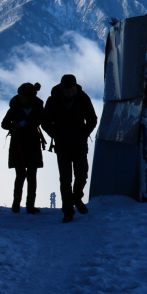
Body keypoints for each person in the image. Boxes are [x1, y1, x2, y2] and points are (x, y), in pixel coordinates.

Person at [42, 74, 98, 223]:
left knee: (82, 174)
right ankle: (68, 211)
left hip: (79, 144)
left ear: (75, 87)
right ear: (62, 89)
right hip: (62, 145)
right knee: (65, 179)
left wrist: (84, 134)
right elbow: (45, 121)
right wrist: (56, 134)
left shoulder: (83, 98)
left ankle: (76, 198)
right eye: (67, 91)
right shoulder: (53, 100)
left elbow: (92, 119)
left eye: (72, 91)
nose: (70, 94)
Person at [0, 82, 45, 214]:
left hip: (23, 143)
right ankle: (19, 204)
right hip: (23, 143)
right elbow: (4, 124)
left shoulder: (18, 107)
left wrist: (19, 125)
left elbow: (43, 119)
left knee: (29, 175)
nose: (19, 97)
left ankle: (25, 205)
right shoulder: (20, 107)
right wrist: (19, 125)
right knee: (23, 175)